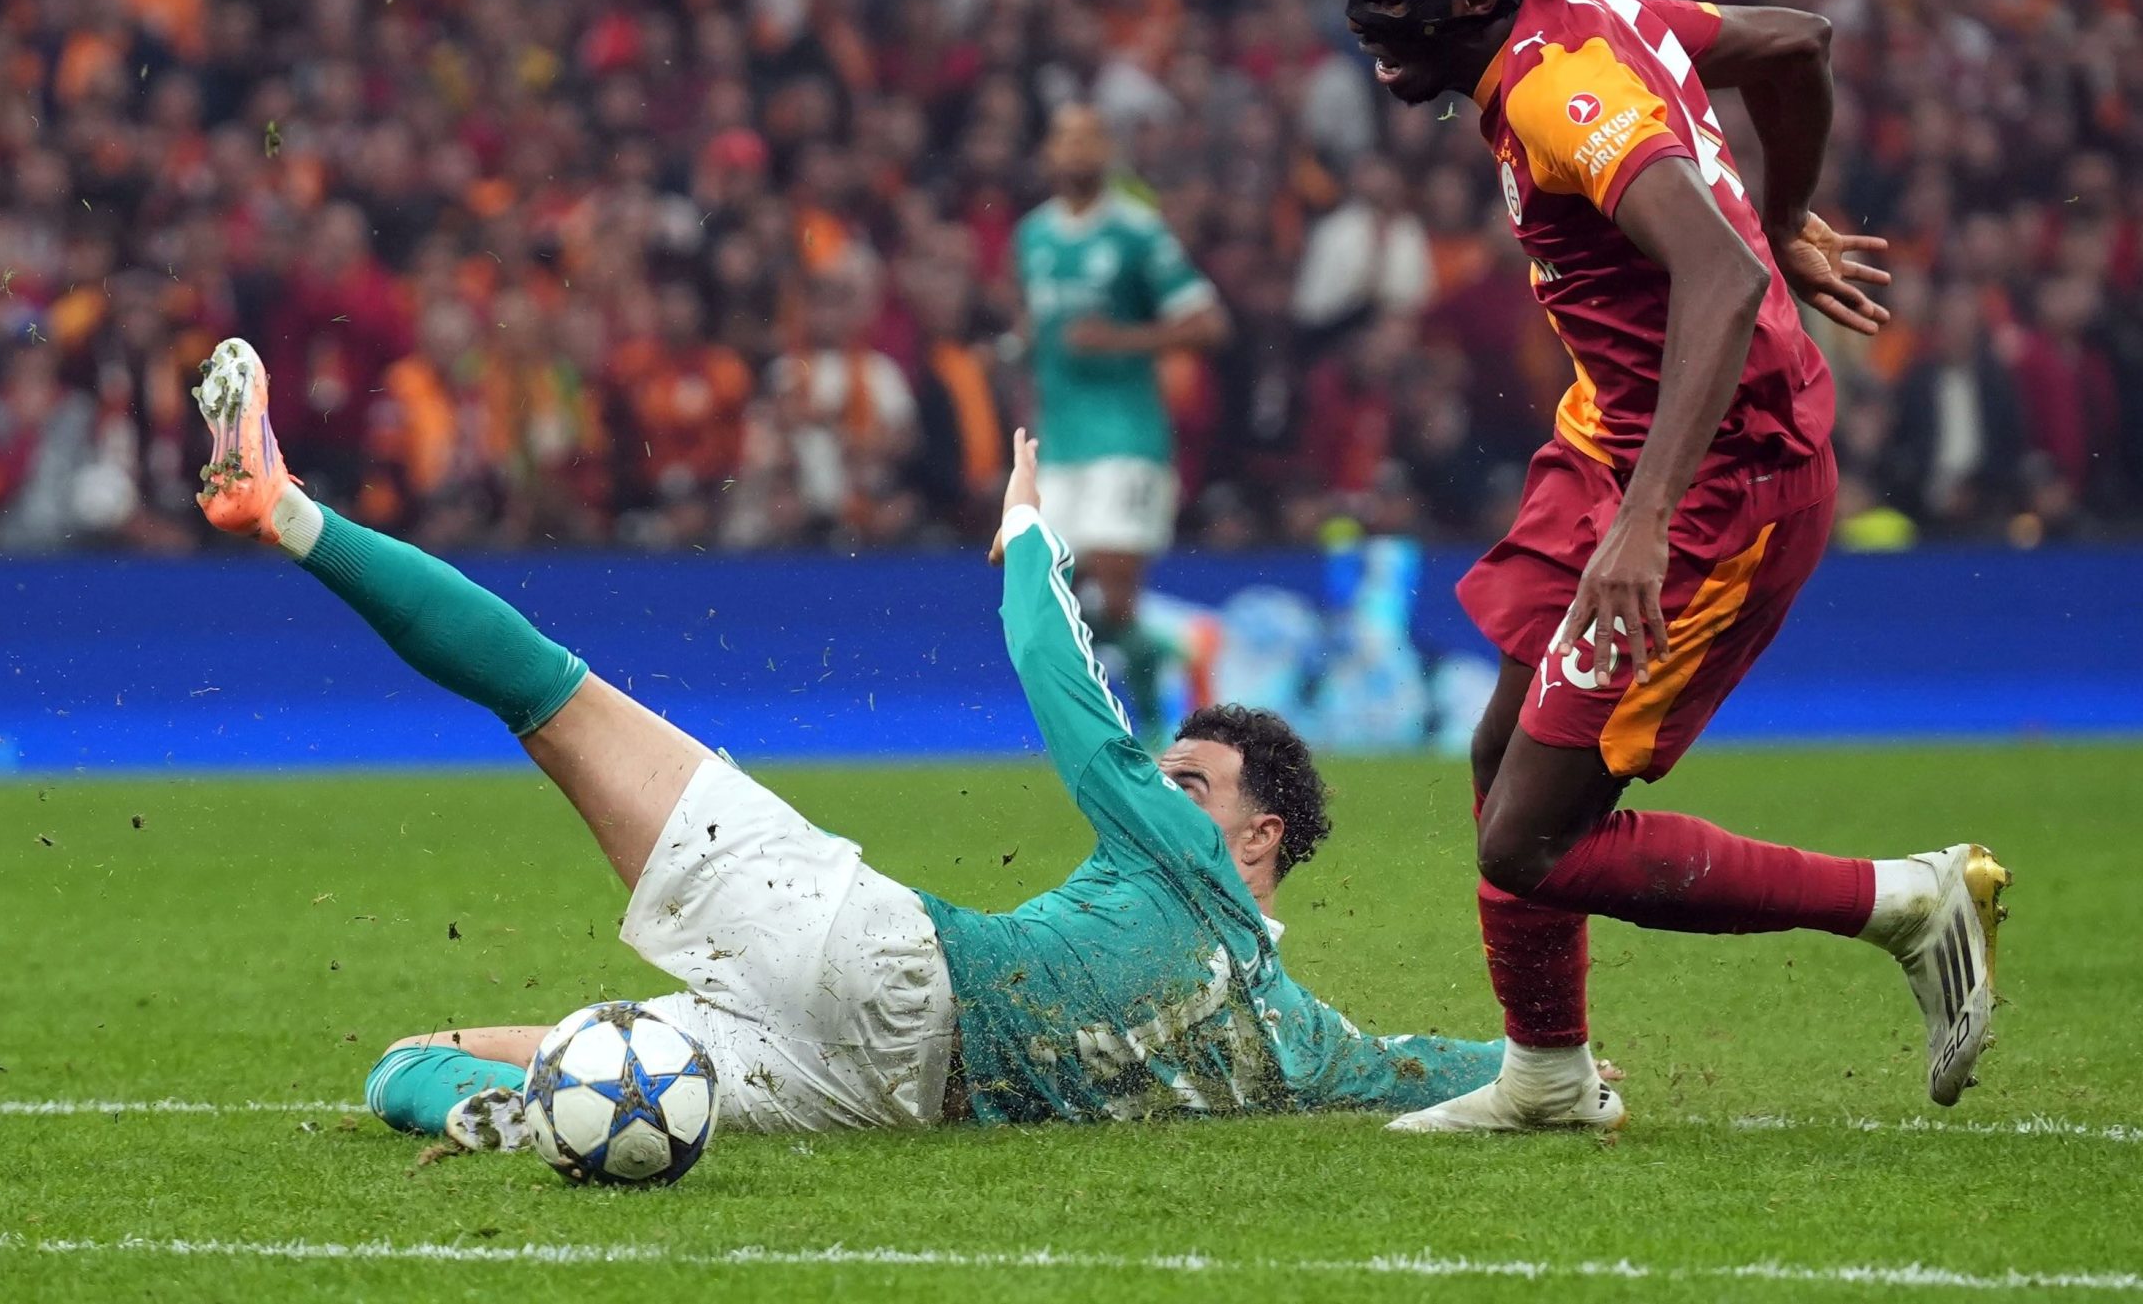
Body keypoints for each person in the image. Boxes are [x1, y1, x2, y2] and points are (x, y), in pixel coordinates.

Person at [187, 337, 1497, 1145]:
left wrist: (1025, 536)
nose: (1163, 788)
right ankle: (471, 1104)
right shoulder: (1298, 1041)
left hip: (876, 969)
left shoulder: (1187, 862)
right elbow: (1423, 1067)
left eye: (1191, 781)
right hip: (880, 1099)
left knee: (551, 694)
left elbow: (1074, 705)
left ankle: (285, 506)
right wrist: (1554, 1064)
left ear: (1257, 837)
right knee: (416, 1057)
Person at [1341, 0, 2009, 1133]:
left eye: (1394, 3)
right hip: (1612, 438)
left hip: (1717, 478)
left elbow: (1716, 274)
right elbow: (1793, 42)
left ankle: (1913, 902)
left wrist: (1645, 519)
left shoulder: (1554, 89)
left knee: (1528, 838)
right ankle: (1546, 1075)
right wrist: (1785, 210)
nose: (1370, 31)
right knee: (1498, 757)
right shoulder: (1597, 16)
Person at [1011, 104, 1229, 736]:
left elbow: (1209, 325)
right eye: (1065, 139)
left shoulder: (1139, 232)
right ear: (1049, 154)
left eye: (1089, 139)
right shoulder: (1032, 237)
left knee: (1112, 582)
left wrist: (1122, 340)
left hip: (1126, 435)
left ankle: (1155, 729)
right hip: (1059, 441)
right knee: (1055, 604)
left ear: (1107, 151)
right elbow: (1039, 325)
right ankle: (1179, 647)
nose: (1077, 150)